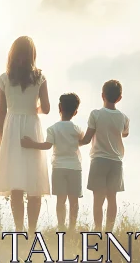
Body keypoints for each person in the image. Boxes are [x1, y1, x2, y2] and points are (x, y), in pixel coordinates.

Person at [0, 36, 50, 233]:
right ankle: (32, 230)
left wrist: (0, 136)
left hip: (12, 129)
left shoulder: (4, 78)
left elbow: (2, 111)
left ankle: (18, 229)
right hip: (32, 127)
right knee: (34, 181)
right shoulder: (39, 78)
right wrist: (34, 108)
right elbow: (47, 109)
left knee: (16, 183)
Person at [21, 92, 84, 232]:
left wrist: (31, 143)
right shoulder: (77, 129)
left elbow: (47, 145)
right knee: (74, 201)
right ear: (76, 111)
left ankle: (61, 227)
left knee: (60, 200)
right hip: (75, 167)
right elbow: (82, 141)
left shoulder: (53, 128)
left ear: (59, 107)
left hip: (59, 168)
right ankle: (72, 228)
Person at [79, 79, 129, 232]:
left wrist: (74, 142)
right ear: (119, 98)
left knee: (98, 199)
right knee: (112, 198)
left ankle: (98, 229)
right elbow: (125, 134)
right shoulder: (124, 118)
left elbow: (87, 139)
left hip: (99, 160)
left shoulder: (95, 114)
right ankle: (109, 231)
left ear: (102, 95)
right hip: (116, 161)